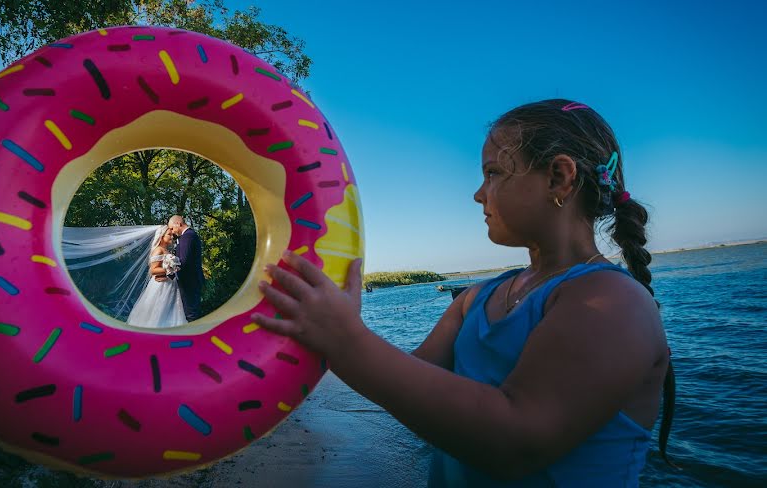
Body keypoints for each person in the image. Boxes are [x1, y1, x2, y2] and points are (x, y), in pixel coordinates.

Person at [252, 99, 676, 486]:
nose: (478, 194)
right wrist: (332, 325)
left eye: (493, 173)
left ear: (559, 177)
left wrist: (347, 340)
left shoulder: (610, 302)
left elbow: (517, 443)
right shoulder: (477, 298)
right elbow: (409, 378)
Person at [125, 226, 187, 328]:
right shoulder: (158, 250)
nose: (172, 237)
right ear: (161, 237)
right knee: (158, 312)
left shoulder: (166, 250)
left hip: (169, 285)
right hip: (161, 286)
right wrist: (171, 269)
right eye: (169, 235)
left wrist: (172, 270)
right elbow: (153, 270)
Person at [167, 215, 204, 322]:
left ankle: (195, 336)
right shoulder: (188, 235)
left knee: (191, 314)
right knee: (190, 312)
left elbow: (184, 261)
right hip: (191, 280)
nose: (172, 232)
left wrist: (170, 273)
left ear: (178, 224)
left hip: (189, 281)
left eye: (172, 228)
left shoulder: (187, 236)